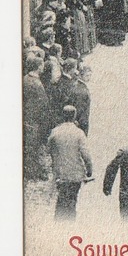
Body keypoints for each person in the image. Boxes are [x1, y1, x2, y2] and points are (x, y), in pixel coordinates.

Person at [47, 105, 93, 219]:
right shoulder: (79, 133)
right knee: (72, 200)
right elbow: (86, 155)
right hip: (75, 175)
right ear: (74, 116)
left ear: (63, 116)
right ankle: (68, 225)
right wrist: (89, 171)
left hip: (60, 173)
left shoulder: (55, 132)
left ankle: (59, 223)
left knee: (61, 199)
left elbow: (49, 149)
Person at [23, 53, 51, 181]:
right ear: (38, 67)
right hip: (35, 119)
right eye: (41, 65)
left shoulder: (25, 79)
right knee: (34, 146)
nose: (43, 67)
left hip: (29, 117)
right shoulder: (36, 83)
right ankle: (34, 173)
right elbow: (43, 104)